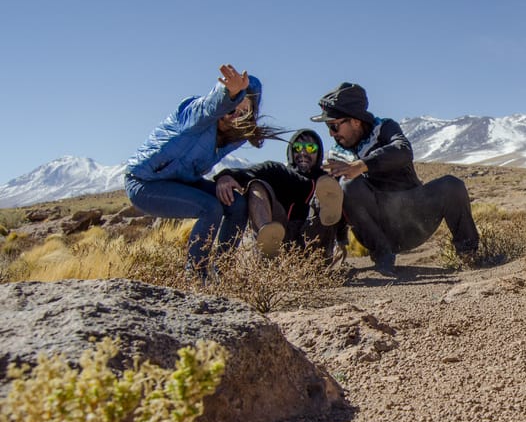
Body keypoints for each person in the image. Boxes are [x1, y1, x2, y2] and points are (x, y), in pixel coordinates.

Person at [124, 64, 284, 279]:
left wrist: (225, 177)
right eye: (231, 108)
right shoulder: (195, 113)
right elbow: (210, 106)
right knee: (210, 208)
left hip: (181, 181)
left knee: (236, 203)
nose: (234, 115)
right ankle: (196, 277)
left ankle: (222, 273)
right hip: (145, 183)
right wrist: (230, 94)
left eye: (243, 112)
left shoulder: (235, 135)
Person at [311, 82, 480, 275]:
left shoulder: (384, 128)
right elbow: (331, 203)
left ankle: (469, 255)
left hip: (415, 219)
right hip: (377, 231)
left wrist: (361, 165)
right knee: (345, 186)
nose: (331, 134)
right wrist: (340, 241)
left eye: (334, 126)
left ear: (355, 121)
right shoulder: (337, 156)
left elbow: (403, 151)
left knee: (452, 185)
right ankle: (383, 256)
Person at [213, 129, 344, 260]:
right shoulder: (278, 171)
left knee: (327, 189)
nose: (303, 153)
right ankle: (267, 240)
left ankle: (325, 252)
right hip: (281, 242)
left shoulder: (327, 179)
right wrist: (226, 176)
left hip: (314, 241)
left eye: (310, 147)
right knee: (256, 184)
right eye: (297, 148)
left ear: (319, 152)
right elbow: (247, 173)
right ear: (291, 151)